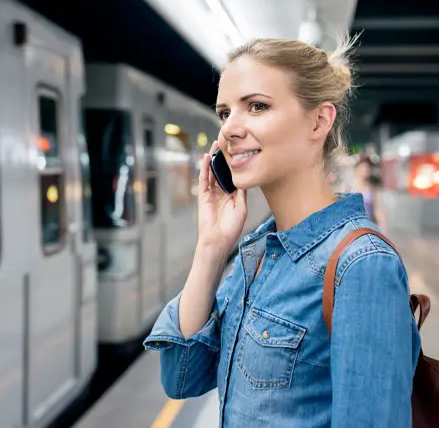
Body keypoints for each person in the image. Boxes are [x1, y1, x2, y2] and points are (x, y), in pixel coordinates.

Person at [144, 37, 421, 427]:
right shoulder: (258, 253)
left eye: (257, 106)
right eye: (225, 113)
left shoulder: (362, 266)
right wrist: (210, 248)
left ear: (319, 121)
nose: (229, 130)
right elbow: (182, 377)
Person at [351, 155, 388, 232]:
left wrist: (383, 225)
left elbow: (377, 209)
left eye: (368, 167)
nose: (365, 170)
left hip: (367, 229)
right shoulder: (348, 187)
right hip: (351, 229)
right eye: (363, 167)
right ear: (357, 168)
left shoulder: (372, 189)